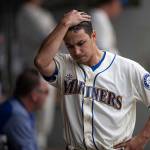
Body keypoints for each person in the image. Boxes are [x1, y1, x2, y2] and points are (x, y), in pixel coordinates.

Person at [34, 10, 150, 150]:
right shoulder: (64, 64)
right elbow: (41, 62)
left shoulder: (127, 69)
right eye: (70, 46)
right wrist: (63, 24)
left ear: (93, 36)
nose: (76, 51)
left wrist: (142, 138)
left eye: (81, 43)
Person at [0, 68, 49, 150]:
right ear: (34, 95)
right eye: (46, 92)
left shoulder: (22, 109)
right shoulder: (17, 115)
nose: (47, 96)